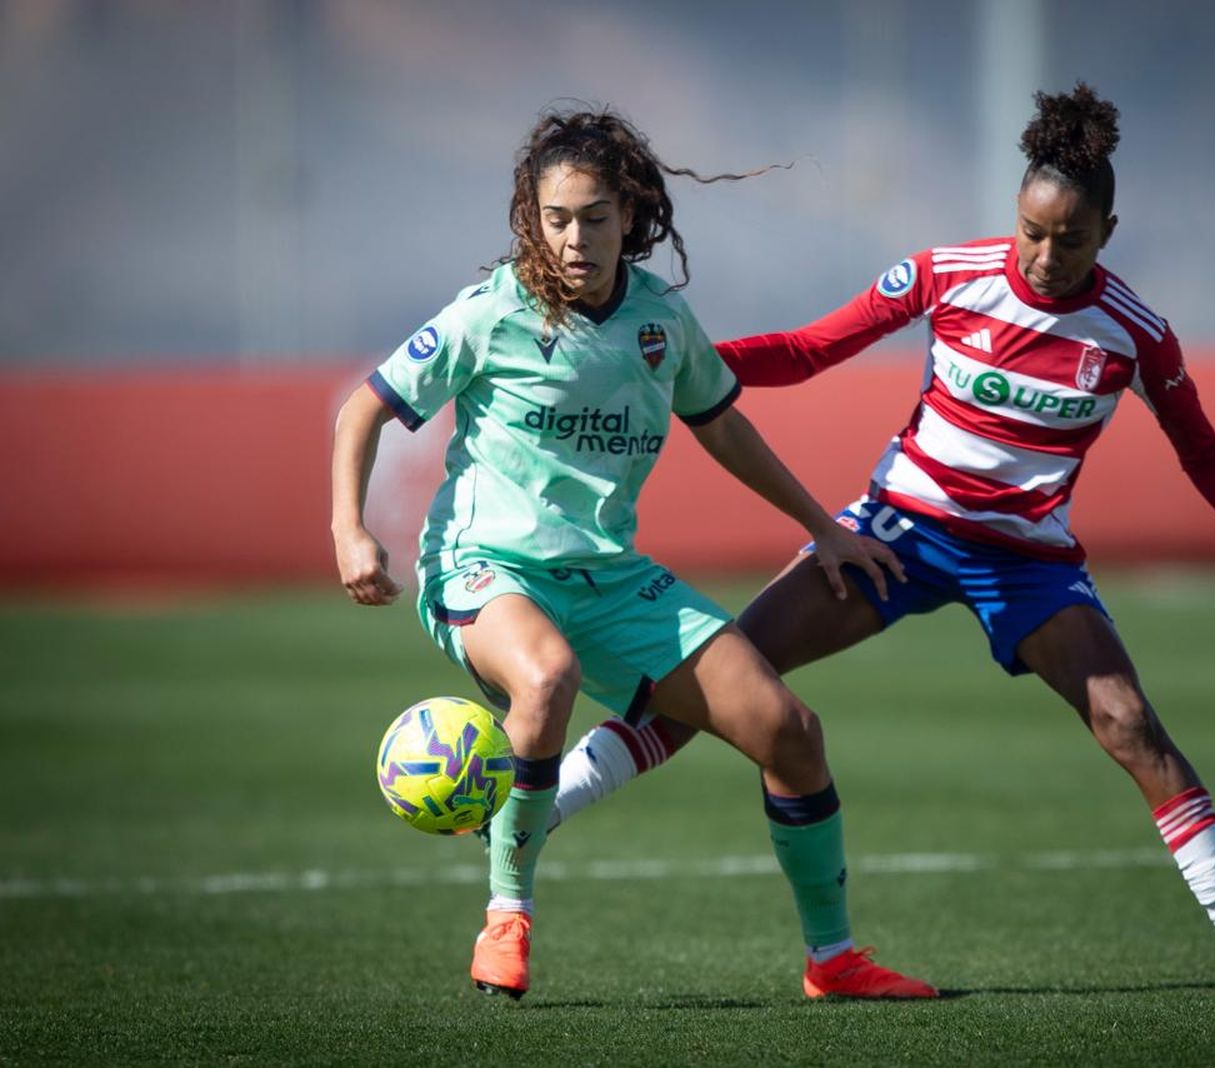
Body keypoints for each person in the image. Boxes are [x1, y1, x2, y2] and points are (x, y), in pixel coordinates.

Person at [545, 85, 1215, 994]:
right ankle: (540, 811)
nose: (1046, 256)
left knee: (1131, 725)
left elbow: (1201, 448)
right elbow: (813, 349)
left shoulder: (1134, 334)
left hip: (1029, 563)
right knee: (726, 677)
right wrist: (687, 364)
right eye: (1031, 232)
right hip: (895, 534)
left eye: (1071, 240)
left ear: (1110, 230)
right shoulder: (946, 272)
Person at [330, 107, 936, 1002]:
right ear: (531, 221)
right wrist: (349, 530)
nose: (576, 239)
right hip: (484, 565)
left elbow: (723, 428)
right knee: (546, 678)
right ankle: (508, 915)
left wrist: (823, 525)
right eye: (557, 219)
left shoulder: (660, 320)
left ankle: (833, 959)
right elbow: (363, 409)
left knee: (791, 734)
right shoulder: (492, 312)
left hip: (608, 575)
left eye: (596, 217)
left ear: (631, 214)